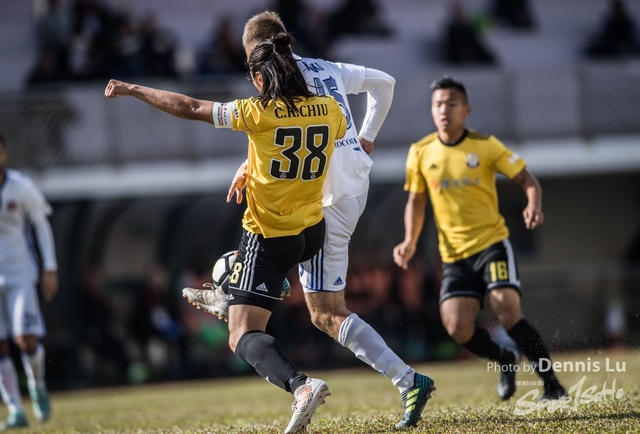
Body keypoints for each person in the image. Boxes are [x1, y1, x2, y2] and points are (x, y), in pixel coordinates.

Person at [182, 10, 436, 430]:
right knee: (303, 278)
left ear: (253, 54)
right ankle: (251, 288)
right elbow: (384, 84)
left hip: (324, 199)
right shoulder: (325, 68)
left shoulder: (275, 79)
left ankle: (407, 379)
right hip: (350, 187)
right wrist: (366, 137)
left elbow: (279, 125)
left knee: (325, 312)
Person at [105, 31, 346, 433]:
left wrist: (134, 89)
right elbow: (306, 143)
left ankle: (300, 385)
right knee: (245, 280)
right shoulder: (330, 108)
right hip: (311, 232)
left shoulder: (256, 112)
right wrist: (255, 163)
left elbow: (191, 107)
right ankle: (234, 293)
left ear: (260, 78)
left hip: (270, 238)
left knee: (240, 334)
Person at [393, 76, 566, 401]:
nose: (444, 110)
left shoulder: (485, 146)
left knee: (506, 311)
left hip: (492, 246)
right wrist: (409, 241)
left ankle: (553, 386)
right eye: (438, 104)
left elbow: (527, 179)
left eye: (451, 104)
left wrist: (534, 204)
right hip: (454, 256)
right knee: (456, 326)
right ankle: (505, 358)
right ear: (432, 109)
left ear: (466, 110)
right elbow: (416, 202)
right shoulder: (420, 151)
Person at [0, 135, 57, 429]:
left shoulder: (20, 185)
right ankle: (15, 410)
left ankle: (37, 387)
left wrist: (50, 267)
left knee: (26, 340)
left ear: (4, 154)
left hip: (20, 274)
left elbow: (40, 222)